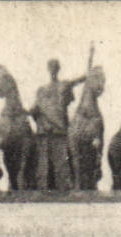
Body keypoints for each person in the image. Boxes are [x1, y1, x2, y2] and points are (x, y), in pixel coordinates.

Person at [30, 59, 86, 189]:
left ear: (58, 69)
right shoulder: (41, 90)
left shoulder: (64, 85)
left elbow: (78, 80)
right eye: (51, 67)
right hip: (44, 132)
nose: (53, 69)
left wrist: (87, 73)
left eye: (55, 67)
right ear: (48, 69)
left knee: (61, 166)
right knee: (42, 167)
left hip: (59, 132)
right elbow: (36, 108)